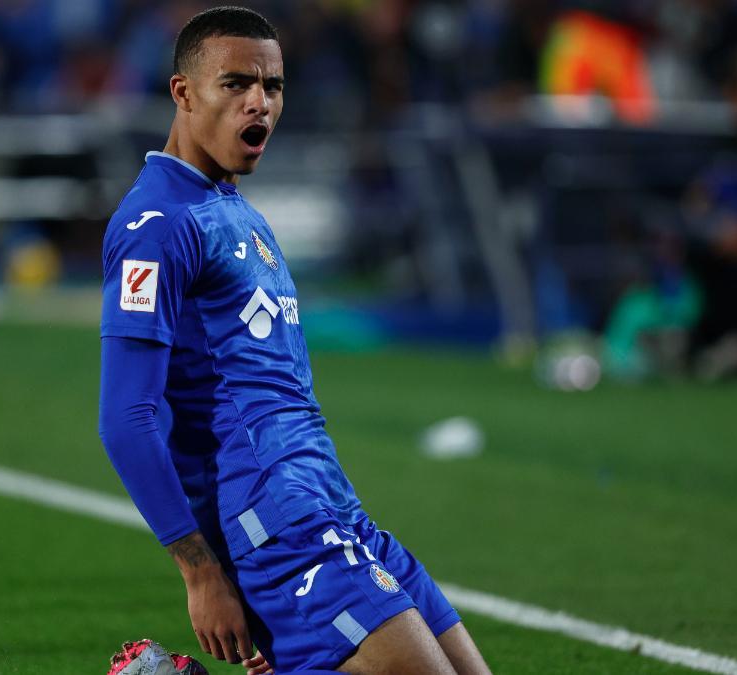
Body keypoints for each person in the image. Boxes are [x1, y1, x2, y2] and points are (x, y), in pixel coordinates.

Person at [97, 7, 492, 674]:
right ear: (184, 93)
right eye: (235, 84)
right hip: (278, 524)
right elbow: (125, 417)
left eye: (273, 86)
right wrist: (201, 573)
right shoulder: (155, 224)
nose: (260, 103)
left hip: (334, 507)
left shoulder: (239, 214)